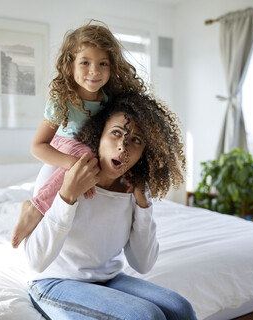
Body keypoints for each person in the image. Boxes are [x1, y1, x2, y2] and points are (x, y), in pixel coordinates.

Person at [24, 92, 196, 320]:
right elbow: (36, 261)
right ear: (99, 134)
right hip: (54, 281)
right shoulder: (57, 174)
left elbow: (143, 264)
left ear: (145, 152)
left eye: (136, 140)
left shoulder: (132, 189)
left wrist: (143, 203)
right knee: (146, 316)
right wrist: (67, 196)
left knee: (181, 309)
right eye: (116, 133)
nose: (123, 147)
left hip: (110, 279)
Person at [11, 20, 147, 248]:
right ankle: (34, 208)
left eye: (103, 63)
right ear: (70, 66)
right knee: (87, 154)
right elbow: (38, 146)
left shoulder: (109, 101)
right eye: (85, 62)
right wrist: (74, 164)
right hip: (66, 146)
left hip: (90, 152)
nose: (95, 71)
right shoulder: (62, 100)